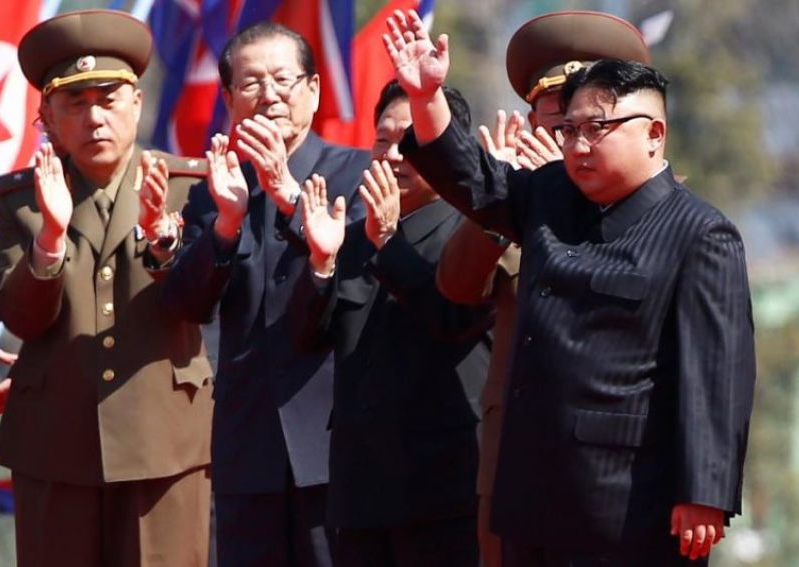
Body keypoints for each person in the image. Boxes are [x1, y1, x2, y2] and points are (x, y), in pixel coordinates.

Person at [385, 11, 756, 566]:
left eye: (597, 129)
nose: (577, 144)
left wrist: (703, 492)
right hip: (530, 496)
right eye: (569, 130)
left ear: (654, 134)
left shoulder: (700, 232)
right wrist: (425, 98)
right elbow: (474, 179)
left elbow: (716, 375)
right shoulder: (550, 194)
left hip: (629, 506)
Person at [0, 10, 214, 566]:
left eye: (109, 99)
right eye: (76, 103)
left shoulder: (185, 186)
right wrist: (51, 236)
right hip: (54, 446)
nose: (95, 118)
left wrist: (166, 239)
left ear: (137, 103)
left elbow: (204, 296)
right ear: (47, 117)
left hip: (163, 443)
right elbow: (22, 318)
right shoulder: (24, 200)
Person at [434, 12, 651, 566]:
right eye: (556, 122)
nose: (568, 137)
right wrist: (499, 209)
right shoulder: (510, 196)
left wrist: (573, 198)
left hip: (612, 457)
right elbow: (457, 286)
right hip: (514, 447)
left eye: (586, 123)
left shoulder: (647, 204)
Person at [162, 22, 369, 567]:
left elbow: (359, 290)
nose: (269, 95)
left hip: (338, 446)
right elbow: (185, 305)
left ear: (314, 89)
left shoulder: (356, 175)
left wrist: (292, 200)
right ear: (228, 99)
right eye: (251, 83)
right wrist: (226, 225)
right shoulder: (214, 190)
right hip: (246, 449)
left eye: (283, 79)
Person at [285, 79, 490, 567]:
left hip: (444, 492)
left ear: (448, 148)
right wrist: (319, 263)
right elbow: (304, 337)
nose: (394, 154)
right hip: (360, 492)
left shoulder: (474, 234)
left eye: (412, 138)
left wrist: (388, 244)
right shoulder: (349, 237)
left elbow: (453, 318)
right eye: (383, 139)